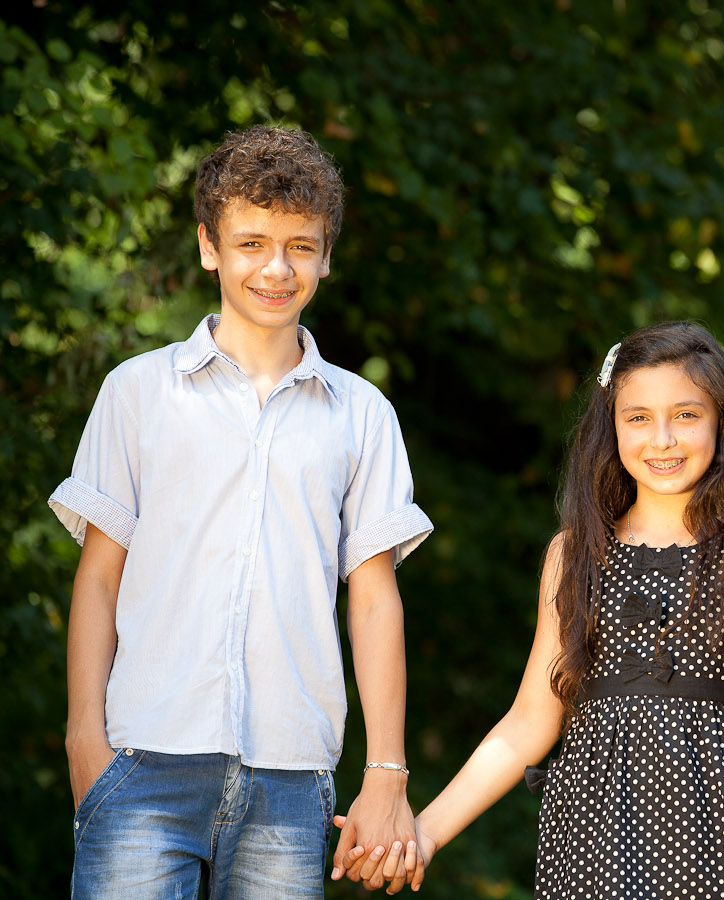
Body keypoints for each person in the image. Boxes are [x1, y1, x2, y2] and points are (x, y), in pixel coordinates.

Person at [334, 322, 724, 895]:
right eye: (638, 417)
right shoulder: (574, 554)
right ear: (611, 426)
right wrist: (425, 834)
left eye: (686, 415)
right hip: (594, 847)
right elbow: (531, 720)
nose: (662, 439)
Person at [50, 124, 433, 898]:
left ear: (326, 256)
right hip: (141, 763)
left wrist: (386, 771)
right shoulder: (136, 392)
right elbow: (98, 579)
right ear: (209, 247)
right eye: (251, 242)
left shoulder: (361, 415)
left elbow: (373, 599)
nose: (276, 266)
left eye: (300, 245)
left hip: (290, 781)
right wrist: (83, 742)